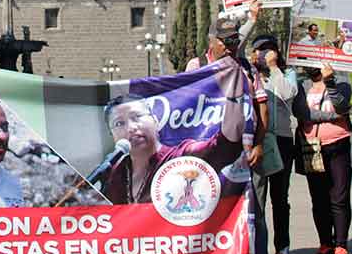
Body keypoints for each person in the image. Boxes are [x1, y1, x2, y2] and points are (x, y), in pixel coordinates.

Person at [100, 69, 251, 205]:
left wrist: (234, 98)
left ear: (156, 122)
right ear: (112, 135)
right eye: (119, 123)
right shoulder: (113, 172)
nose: (131, 128)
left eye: (137, 117)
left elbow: (226, 144)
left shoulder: (181, 157)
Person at [295, 63, 352, 254]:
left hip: (338, 144)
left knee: (339, 197)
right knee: (319, 199)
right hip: (312, 148)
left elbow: (342, 105)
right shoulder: (301, 86)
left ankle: (341, 245)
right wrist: (332, 117)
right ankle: (325, 244)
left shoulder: (342, 82)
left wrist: (330, 82)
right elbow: (302, 113)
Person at [249, 35, 299, 254]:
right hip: (260, 140)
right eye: (259, 50)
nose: (263, 54)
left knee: (280, 199)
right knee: (257, 199)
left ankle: (283, 248)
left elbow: (288, 93)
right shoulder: (249, 75)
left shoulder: (285, 73)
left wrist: (274, 68)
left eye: (267, 50)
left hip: (282, 139)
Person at [184, 1, 260, 72]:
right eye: (227, 41)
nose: (231, 47)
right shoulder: (197, 67)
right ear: (211, 42)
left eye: (235, 41)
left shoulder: (244, 68)